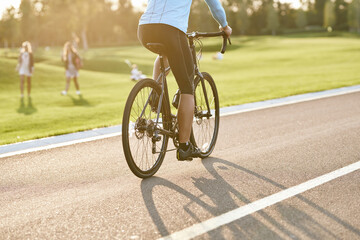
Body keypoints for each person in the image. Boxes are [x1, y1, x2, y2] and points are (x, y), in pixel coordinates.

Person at [138, 0, 232, 161]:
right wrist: (224, 26)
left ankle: (156, 95)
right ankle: (184, 146)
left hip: (145, 28)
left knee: (165, 55)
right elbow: (214, 5)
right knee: (187, 88)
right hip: (171, 29)